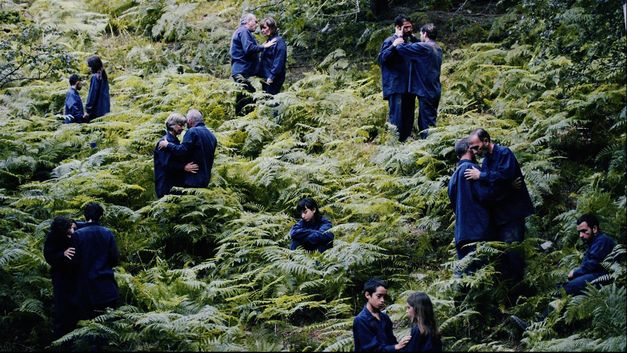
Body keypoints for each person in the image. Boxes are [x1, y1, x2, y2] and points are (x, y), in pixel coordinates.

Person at [464, 128, 534, 302]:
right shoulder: (487, 160)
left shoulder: (504, 153)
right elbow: (494, 187)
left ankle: (520, 295)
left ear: (486, 141)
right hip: (500, 216)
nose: (474, 151)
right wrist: (507, 185)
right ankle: (510, 297)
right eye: (471, 148)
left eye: (476, 147)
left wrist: (482, 175)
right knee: (505, 257)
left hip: (512, 214)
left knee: (514, 254)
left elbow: (506, 174)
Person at [447, 137, 492, 276]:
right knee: (482, 274)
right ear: (468, 149)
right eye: (473, 147)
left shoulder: (453, 177)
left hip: (462, 232)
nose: (477, 151)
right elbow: (487, 196)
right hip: (479, 230)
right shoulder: (472, 170)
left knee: (466, 276)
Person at [392, 23, 442, 139]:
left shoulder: (424, 48)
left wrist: (399, 38)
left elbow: (401, 49)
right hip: (434, 89)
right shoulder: (437, 48)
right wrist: (414, 37)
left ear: (425, 34)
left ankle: (428, 147)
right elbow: (419, 46)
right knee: (429, 120)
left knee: (425, 124)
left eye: (421, 34)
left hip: (426, 90)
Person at [72, 202, 120, 320]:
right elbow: (114, 258)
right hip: (106, 286)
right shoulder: (107, 233)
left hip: (84, 287)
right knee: (108, 322)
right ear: (101, 216)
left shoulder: (77, 235)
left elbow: (74, 260)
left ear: (85, 216)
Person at [377, 15, 418, 142]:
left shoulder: (410, 41)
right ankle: (394, 144)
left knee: (408, 117)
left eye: (410, 27)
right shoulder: (390, 41)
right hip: (395, 86)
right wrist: (394, 46)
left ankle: (405, 141)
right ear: (398, 27)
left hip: (409, 86)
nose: (409, 30)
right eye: (406, 27)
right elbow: (381, 59)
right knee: (397, 118)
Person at [230, 13, 276, 115]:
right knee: (247, 97)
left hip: (240, 70)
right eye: (255, 21)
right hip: (242, 71)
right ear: (248, 22)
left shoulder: (241, 32)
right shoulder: (244, 31)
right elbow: (249, 49)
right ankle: (242, 121)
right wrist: (264, 47)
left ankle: (239, 121)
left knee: (243, 97)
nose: (256, 24)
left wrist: (260, 46)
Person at [158, 109, 217, 188]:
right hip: (205, 180)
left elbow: (182, 150)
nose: (184, 127)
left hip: (191, 179)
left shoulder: (192, 132)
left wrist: (168, 145)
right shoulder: (212, 136)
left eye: (185, 123)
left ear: (190, 120)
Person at [43, 216, 79, 339]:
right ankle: (60, 336)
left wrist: (74, 224)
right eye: (69, 227)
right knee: (61, 305)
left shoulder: (74, 233)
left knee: (75, 303)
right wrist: (62, 254)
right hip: (60, 276)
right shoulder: (53, 237)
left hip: (74, 275)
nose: (72, 229)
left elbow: (84, 225)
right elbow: (48, 255)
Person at [564, 214, 617, 295]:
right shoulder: (595, 241)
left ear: (594, 229)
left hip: (606, 276)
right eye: (579, 232)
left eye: (584, 231)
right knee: (566, 285)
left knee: (569, 287)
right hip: (598, 274)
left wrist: (575, 272)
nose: (581, 235)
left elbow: (593, 264)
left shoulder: (602, 240)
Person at [353, 279, 411, 352]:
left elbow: (391, 341)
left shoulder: (384, 317)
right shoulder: (361, 320)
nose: (382, 300)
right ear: (367, 295)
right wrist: (396, 347)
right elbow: (371, 349)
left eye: (384, 296)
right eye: (379, 296)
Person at [153, 113, 199, 198]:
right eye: (180, 125)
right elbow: (166, 164)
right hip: (166, 186)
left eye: (183, 125)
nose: (182, 128)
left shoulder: (174, 141)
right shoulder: (164, 142)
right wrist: (184, 167)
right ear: (172, 124)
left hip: (174, 185)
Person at [257, 17, 287, 95]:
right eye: (261, 28)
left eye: (264, 28)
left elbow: (279, 61)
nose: (262, 30)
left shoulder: (279, 42)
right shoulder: (268, 41)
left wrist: (272, 76)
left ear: (271, 27)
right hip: (265, 77)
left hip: (273, 78)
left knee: (272, 101)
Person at [84, 55, 110, 121]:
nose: (89, 68)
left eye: (89, 66)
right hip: (105, 110)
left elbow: (92, 94)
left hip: (96, 112)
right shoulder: (103, 75)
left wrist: (88, 110)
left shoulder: (95, 77)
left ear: (93, 66)